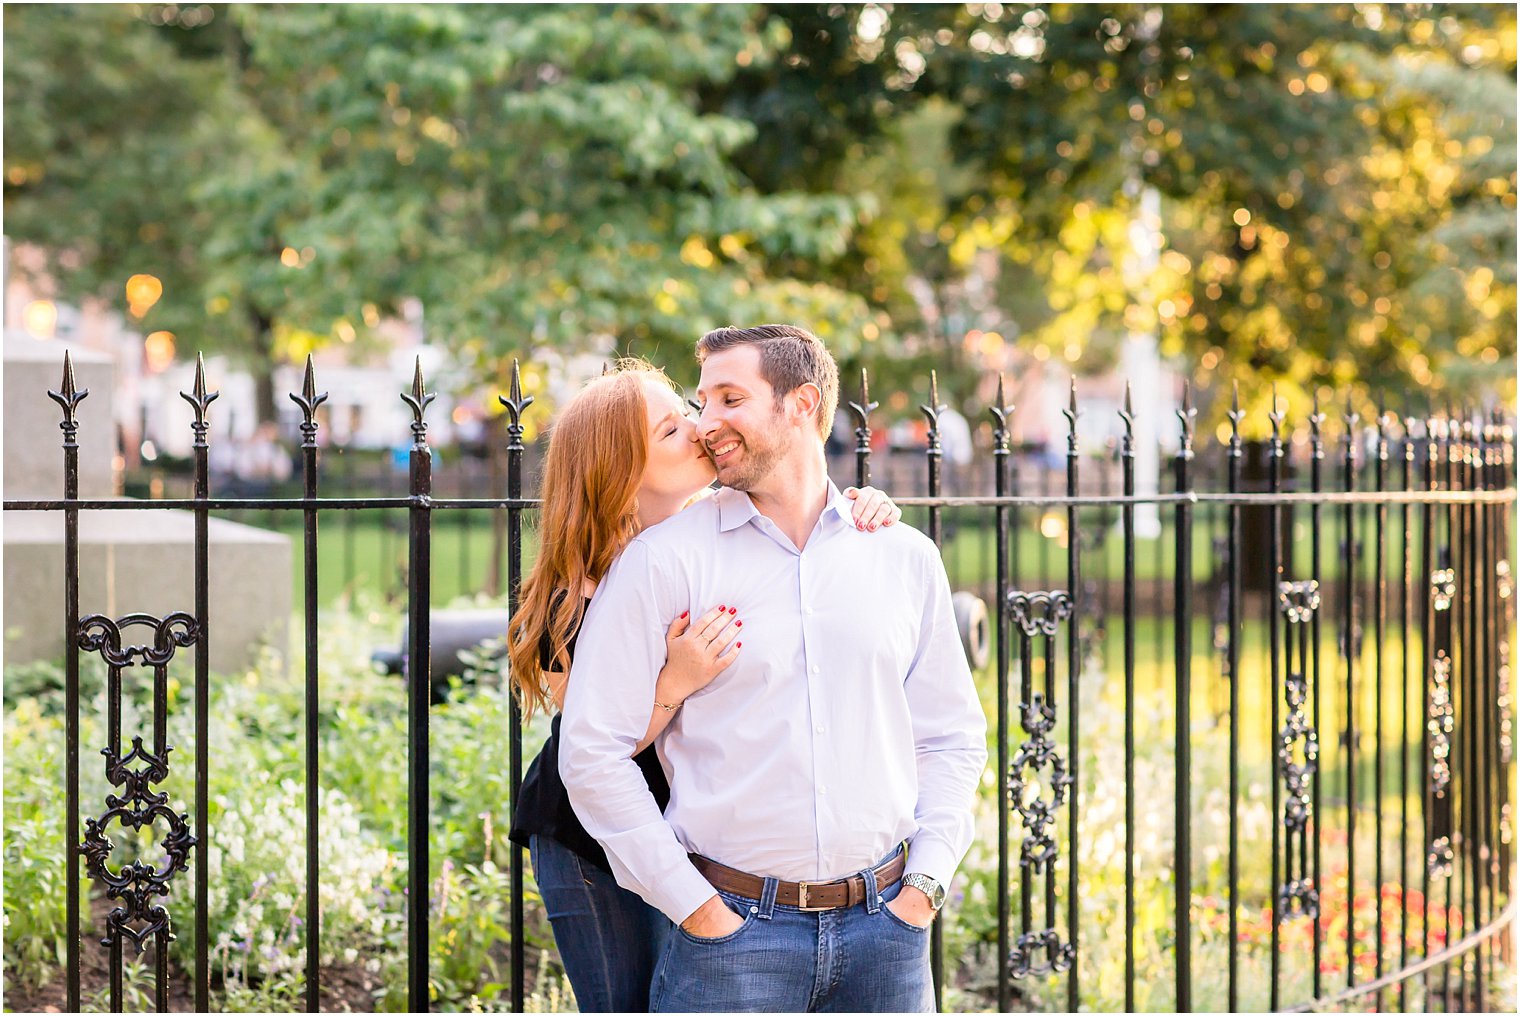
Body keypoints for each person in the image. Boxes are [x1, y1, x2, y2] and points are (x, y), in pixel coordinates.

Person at [560, 325, 988, 1013]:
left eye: (731, 398)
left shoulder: (902, 556)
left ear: (801, 404)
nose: (707, 424)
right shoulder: (664, 561)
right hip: (731, 943)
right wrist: (697, 909)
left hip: (889, 935)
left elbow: (950, 736)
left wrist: (925, 888)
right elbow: (590, 752)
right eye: (702, 402)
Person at [505, 359, 903, 1013]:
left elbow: (804, 522)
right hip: (589, 838)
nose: (699, 428)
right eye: (671, 429)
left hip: (695, 827)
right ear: (619, 474)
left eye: (688, 411)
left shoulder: (709, 539)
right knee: (628, 1000)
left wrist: (863, 505)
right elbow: (597, 747)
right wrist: (675, 681)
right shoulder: (569, 599)